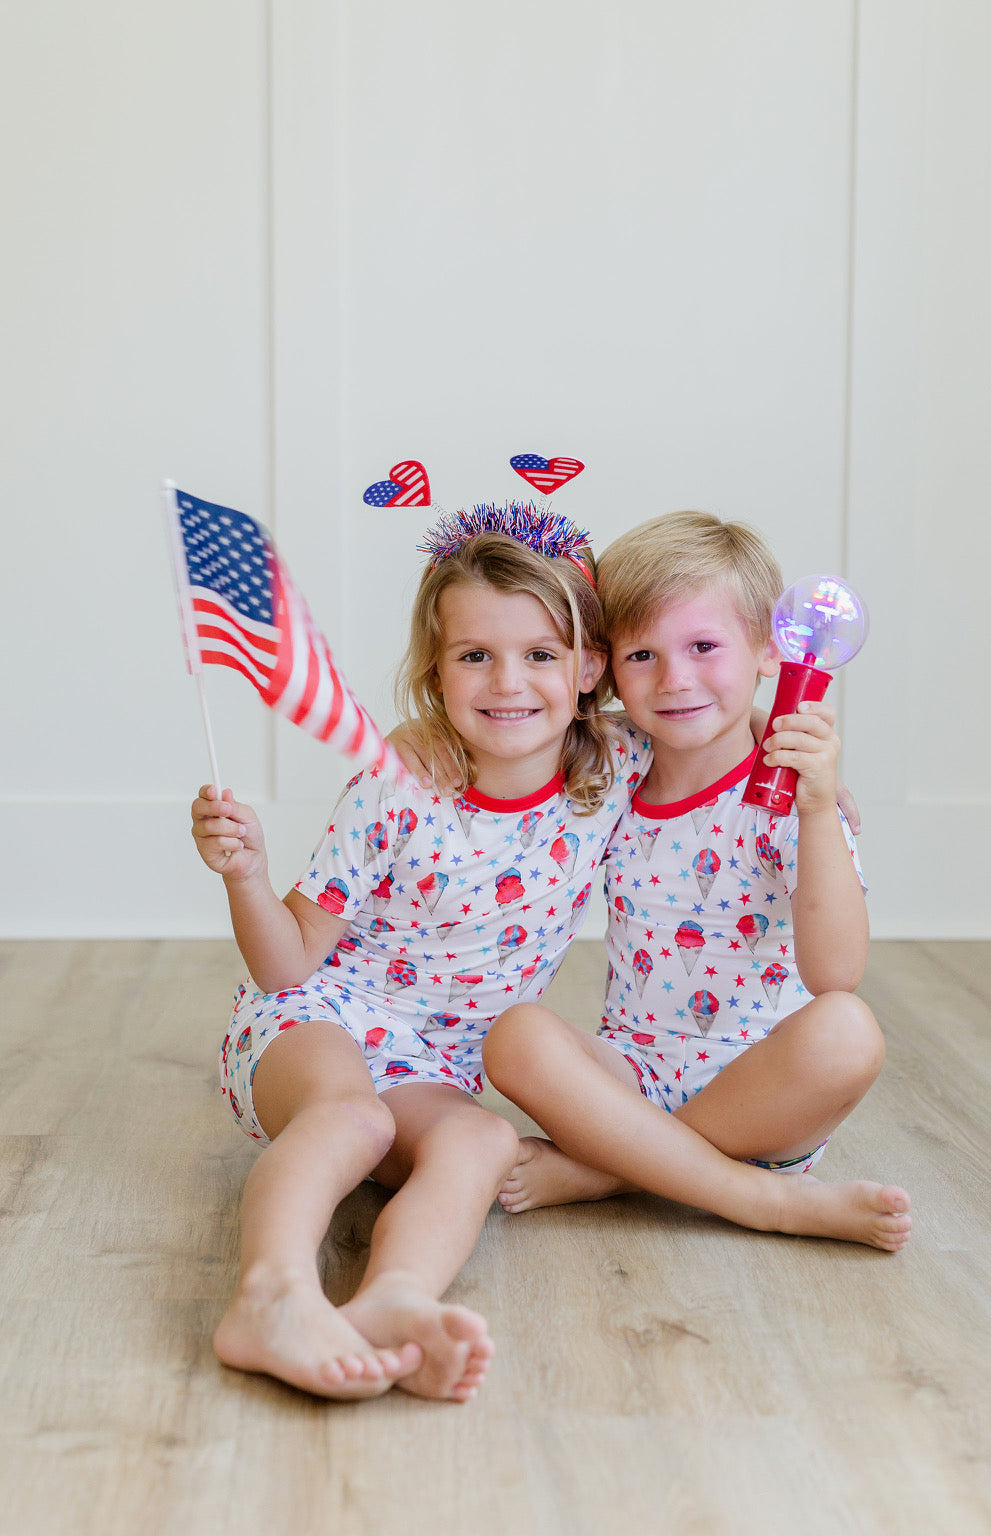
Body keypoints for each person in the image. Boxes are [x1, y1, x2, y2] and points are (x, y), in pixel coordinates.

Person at [192, 504, 641, 1402]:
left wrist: (796, 763)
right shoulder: (400, 786)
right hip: (312, 1016)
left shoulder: (615, 769)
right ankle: (270, 1292)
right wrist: (246, 874)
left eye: (541, 654)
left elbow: (705, 718)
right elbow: (286, 967)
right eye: (475, 654)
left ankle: (392, 1298)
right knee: (351, 1120)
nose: (507, 681)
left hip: (434, 1061)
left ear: (591, 669)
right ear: (437, 672)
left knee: (479, 1138)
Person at [483, 510, 913, 1253]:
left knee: (848, 1032)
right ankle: (744, 1192)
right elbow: (501, 736)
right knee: (515, 1036)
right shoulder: (610, 759)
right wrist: (411, 733)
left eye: (704, 646)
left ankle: (615, 1171)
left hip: (766, 1093)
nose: (675, 679)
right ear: (606, 665)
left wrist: (814, 814)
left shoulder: (791, 790)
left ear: (770, 652)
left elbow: (836, 972)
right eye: (642, 654)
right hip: (631, 1077)